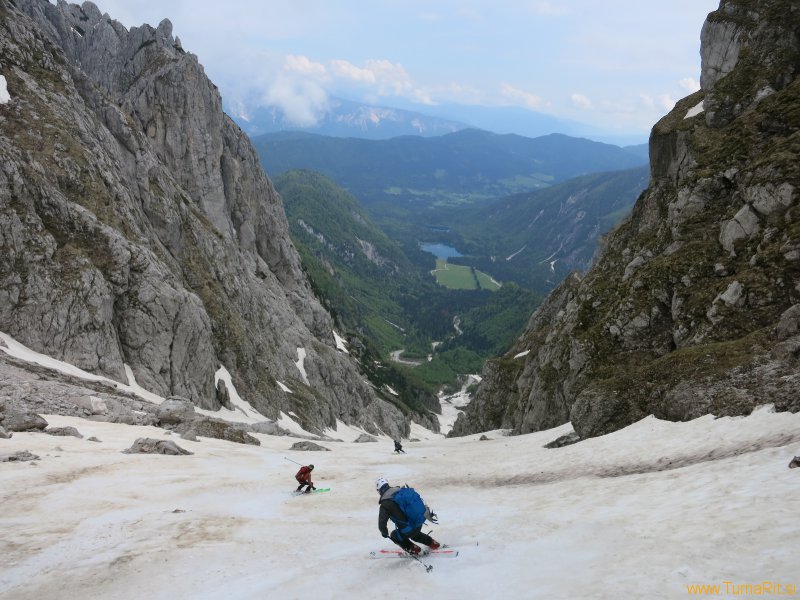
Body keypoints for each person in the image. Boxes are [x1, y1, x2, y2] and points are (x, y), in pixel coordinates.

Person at [376, 477, 440, 556]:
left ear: (379, 490)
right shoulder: (400, 491)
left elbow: (382, 523)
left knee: (394, 535)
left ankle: (415, 550)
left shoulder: (385, 504)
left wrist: (384, 533)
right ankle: (433, 543)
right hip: (418, 521)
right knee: (415, 534)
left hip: (409, 529)